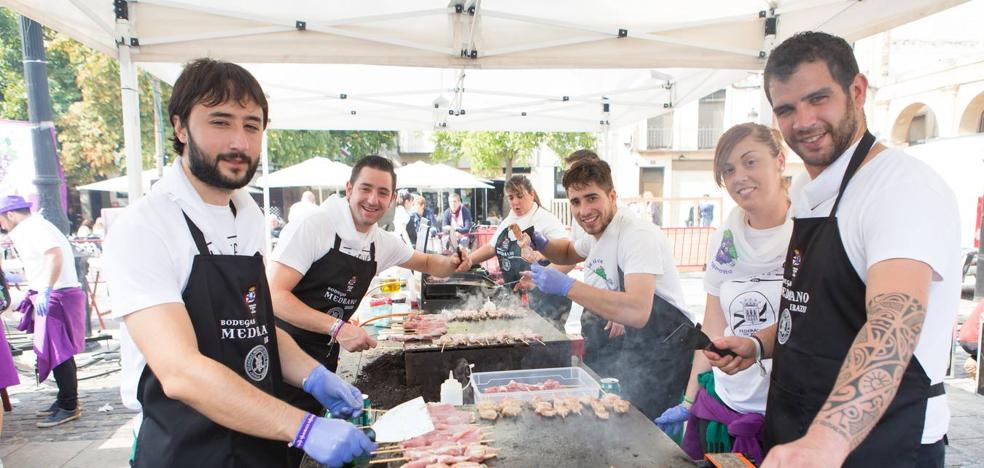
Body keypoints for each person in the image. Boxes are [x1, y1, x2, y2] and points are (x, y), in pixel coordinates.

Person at [705, 32, 961, 468]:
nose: (803, 121)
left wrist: (827, 440)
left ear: (857, 92)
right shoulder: (810, 192)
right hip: (797, 429)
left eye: (817, 99)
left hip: (879, 444)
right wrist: (759, 345)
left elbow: (893, 323)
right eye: (787, 109)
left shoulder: (899, 186)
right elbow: (816, 316)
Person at [103, 58, 374, 468]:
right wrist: (302, 427)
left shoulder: (246, 214)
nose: (239, 142)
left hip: (260, 436)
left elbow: (255, 329)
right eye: (220, 122)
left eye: (251, 126)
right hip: (186, 449)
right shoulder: (145, 225)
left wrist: (314, 375)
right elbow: (179, 370)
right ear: (180, 126)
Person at [267, 156, 471, 463]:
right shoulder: (315, 226)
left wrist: (453, 263)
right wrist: (337, 327)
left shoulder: (380, 243)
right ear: (349, 189)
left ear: (391, 198)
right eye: (365, 188)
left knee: (302, 454)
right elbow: (274, 295)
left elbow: (428, 262)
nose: (373, 199)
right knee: (273, 449)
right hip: (279, 359)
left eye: (382, 192)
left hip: (323, 359)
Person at [654, 123, 792, 464]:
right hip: (725, 408)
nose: (738, 177)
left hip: (786, 418)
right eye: (728, 170)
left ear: (780, 161)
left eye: (750, 162)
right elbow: (714, 327)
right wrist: (688, 401)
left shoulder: (809, 232)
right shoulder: (724, 240)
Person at [521, 158, 693, 418]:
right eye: (576, 202)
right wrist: (541, 242)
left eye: (592, 198)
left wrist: (567, 286)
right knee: (618, 414)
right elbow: (568, 251)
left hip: (666, 348)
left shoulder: (637, 235)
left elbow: (637, 311)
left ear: (612, 196)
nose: (584, 210)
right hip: (638, 344)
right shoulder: (600, 233)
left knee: (642, 431)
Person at [0, 195, 86, 428]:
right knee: (56, 351)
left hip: (56, 294)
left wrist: (47, 289)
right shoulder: (35, 226)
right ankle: (64, 400)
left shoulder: (32, 228)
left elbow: (53, 255)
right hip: (52, 292)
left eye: (1, 219)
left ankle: (69, 405)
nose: (2, 225)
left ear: (10, 214)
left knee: (60, 353)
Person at [467, 175, 571, 330]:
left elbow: (568, 260)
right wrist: (467, 261)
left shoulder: (546, 219)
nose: (515, 202)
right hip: (517, 299)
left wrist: (538, 278)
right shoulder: (509, 220)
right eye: (511, 197)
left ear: (531, 194)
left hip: (548, 301)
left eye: (520, 196)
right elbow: (491, 247)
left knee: (548, 345)